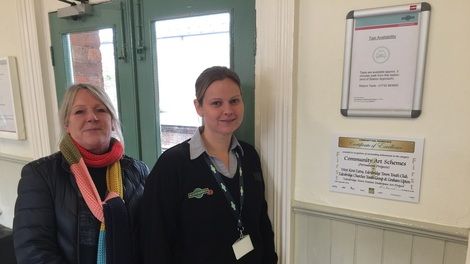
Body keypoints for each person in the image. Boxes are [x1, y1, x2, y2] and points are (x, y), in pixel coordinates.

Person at [141, 66, 278, 263]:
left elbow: (261, 223)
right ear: (199, 107)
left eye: (234, 101)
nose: (228, 110)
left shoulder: (249, 156)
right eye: (216, 103)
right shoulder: (173, 164)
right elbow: (155, 240)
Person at [13, 83, 148, 264]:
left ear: (113, 122)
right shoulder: (40, 175)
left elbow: (151, 236)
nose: (92, 117)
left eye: (101, 110)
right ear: (66, 124)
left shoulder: (138, 171)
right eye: (79, 112)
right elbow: (34, 251)